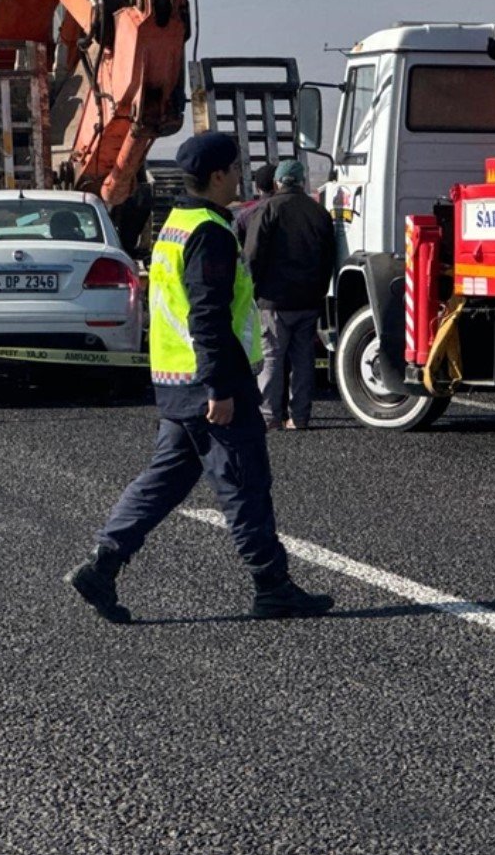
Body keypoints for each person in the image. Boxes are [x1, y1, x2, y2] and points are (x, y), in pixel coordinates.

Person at [65, 132, 333, 623]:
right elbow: (207, 316)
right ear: (216, 176)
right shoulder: (210, 232)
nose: (239, 176)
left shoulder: (178, 224)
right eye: (235, 169)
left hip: (176, 382)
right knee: (245, 485)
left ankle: (102, 566)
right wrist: (220, 388)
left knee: (162, 483)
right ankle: (272, 586)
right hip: (211, 385)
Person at [245, 159, 335, 432]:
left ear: (277, 183)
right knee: (303, 359)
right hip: (308, 299)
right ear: (302, 181)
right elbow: (329, 257)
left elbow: (252, 255)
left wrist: (253, 291)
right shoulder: (319, 212)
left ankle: (269, 416)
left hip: (273, 300)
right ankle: (300, 417)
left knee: (271, 356)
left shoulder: (268, 209)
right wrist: (319, 290)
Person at [234, 163, 278, 242]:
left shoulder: (245, 215)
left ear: (257, 189)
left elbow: (240, 245)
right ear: (277, 185)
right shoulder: (292, 209)